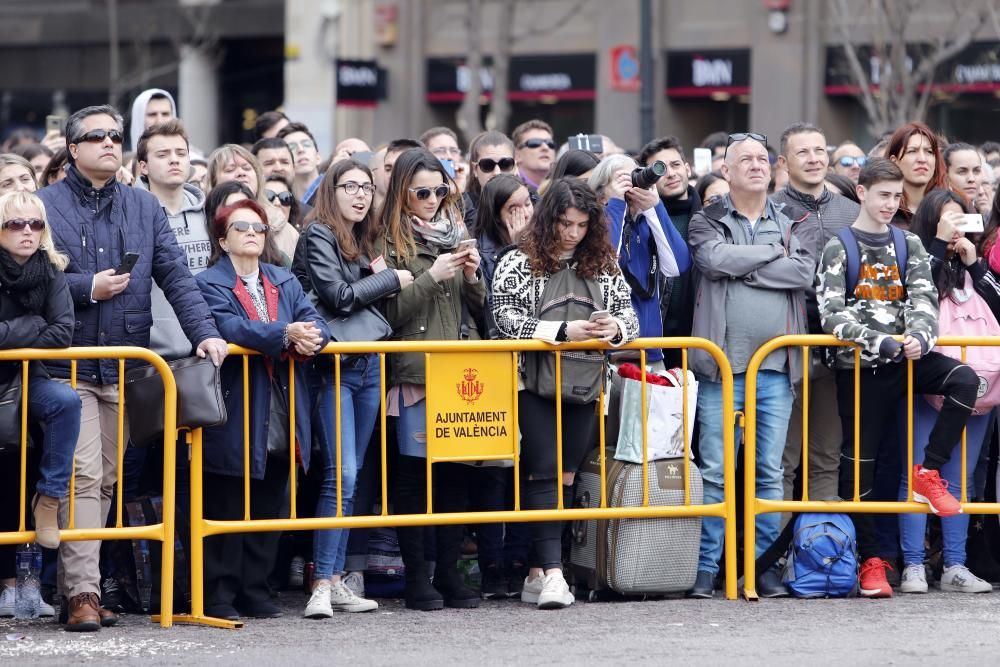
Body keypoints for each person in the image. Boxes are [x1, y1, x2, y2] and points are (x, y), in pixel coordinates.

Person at [37, 104, 227, 631]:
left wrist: (206, 332)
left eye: (115, 135)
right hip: (68, 366)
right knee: (85, 475)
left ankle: (76, 586)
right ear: (73, 150)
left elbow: (176, 276)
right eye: (96, 136)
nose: (108, 143)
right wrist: (85, 287)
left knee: (105, 483)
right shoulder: (45, 205)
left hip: (125, 365)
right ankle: (82, 595)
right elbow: (29, 281)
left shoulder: (144, 208)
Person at [816, 158, 979, 599]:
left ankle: (929, 470)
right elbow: (831, 313)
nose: (890, 204)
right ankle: (872, 560)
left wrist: (921, 339)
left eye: (896, 197)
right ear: (862, 192)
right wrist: (881, 342)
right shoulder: (839, 246)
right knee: (863, 466)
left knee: (965, 380)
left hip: (908, 359)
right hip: (862, 368)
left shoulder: (908, 243)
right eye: (882, 195)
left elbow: (925, 298)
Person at [491, 178, 639, 609]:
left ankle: (540, 571)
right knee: (544, 469)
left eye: (580, 225)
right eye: (564, 223)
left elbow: (629, 315)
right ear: (548, 219)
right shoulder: (518, 260)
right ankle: (554, 574)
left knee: (569, 474)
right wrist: (562, 332)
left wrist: (614, 329)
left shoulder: (603, 260)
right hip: (529, 378)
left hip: (587, 378)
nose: (572, 233)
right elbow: (503, 318)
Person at [686, 132, 813, 599]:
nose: (757, 166)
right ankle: (707, 568)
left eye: (763, 158)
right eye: (746, 160)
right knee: (716, 471)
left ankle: (760, 567)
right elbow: (714, 261)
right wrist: (768, 259)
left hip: (776, 370)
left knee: (769, 474)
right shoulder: (707, 218)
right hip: (721, 369)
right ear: (727, 169)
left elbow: (802, 272)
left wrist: (744, 266)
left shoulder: (793, 218)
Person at [196, 199, 330, 620]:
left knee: (270, 500)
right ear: (222, 239)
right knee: (226, 503)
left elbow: (315, 321)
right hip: (235, 405)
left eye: (258, 227)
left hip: (281, 404)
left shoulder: (282, 278)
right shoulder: (208, 282)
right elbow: (229, 326)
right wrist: (284, 334)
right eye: (241, 227)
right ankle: (218, 595)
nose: (253, 233)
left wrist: (312, 338)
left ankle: (257, 589)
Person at [292, 160, 404, 617]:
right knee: (342, 475)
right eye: (350, 186)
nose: (360, 194)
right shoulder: (318, 233)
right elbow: (337, 296)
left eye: (367, 187)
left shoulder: (360, 239)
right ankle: (321, 581)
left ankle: (335, 579)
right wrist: (391, 279)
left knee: (352, 477)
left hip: (367, 364)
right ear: (330, 190)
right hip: (333, 364)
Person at [377, 148, 485, 612]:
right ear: (402, 193)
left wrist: (475, 276)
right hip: (416, 371)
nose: (432, 199)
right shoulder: (385, 242)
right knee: (414, 479)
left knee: (455, 479)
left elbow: (481, 306)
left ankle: (448, 574)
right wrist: (431, 277)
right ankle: (418, 579)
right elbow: (387, 314)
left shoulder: (458, 231)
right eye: (421, 191)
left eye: (440, 190)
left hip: (463, 369)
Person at [899, 189, 997, 594]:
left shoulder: (976, 266)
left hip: (983, 386)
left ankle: (955, 564)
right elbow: (915, 296)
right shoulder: (916, 256)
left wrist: (974, 265)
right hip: (931, 384)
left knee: (960, 480)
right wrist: (939, 244)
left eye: (963, 219)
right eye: (947, 219)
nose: (957, 227)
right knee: (921, 474)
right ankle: (913, 565)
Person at [0, 191, 79, 619]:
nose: (27, 232)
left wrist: (13, 333)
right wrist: (31, 325)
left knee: (66, 403)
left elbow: (63, 333)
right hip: (3, 386)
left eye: (35, 224)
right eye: (16, 224)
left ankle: (49, 499)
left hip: (30, 382)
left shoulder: (51, 272)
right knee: (4, 480)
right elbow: (45, 329)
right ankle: (8, 585)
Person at [771, 123, 860, 504]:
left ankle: (822, 558)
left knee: (827, 456)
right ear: (784, 162)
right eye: (803, 152)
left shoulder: (853, 212)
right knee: (781, 461)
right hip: (784, 349)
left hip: (842, 352)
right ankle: (771, 561)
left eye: (820, 151)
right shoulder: (769, 211)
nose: (814, 159)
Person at [471, 174, 535, 597]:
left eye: (528, 204)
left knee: (532, 470)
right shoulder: (482, 250)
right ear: (495, 212)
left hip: (537, 371)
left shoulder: (543, 245)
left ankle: (523, 559)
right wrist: (516, 249)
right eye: (513, 208)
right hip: (494, 368)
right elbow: (497, 314)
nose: (524, 214)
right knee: (496, 472)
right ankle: (492, 563)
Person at [588, 154, 689, 369]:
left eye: (634, 176)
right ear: (601, 190)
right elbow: (602, 265)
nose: (631, 184)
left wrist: (655, 208)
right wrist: (615, 204)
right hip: (606, 353)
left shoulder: (647, 222)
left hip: (650, 353)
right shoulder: (591, 224)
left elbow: (678, 266)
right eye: (622, 179)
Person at [134, 120, 213, 358]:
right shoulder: (129, 215)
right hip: (150, 355)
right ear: (143, 167)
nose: (174, 159)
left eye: (181, 153)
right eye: (163, 154)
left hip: (209, 346)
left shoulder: (209, 213)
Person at [639, 135, 703, 364]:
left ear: (688, 168)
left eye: (676, 165)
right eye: (660, 169)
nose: (671, 173)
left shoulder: (712, 217)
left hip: (701, 339)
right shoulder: (641, 221)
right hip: (655, 341)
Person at [885, 121, 947, 229]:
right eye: (912, 151)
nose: (922, 159)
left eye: (929, 152)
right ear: (894, 161)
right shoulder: (884, 209)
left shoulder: (948, 207)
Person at [464, 131, 515, 230]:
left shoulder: (533, 205)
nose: (497, 172)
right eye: (487, 165)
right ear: (475, 169)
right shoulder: (462, 209)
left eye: (505, 164)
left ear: (515, 167)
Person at [278, 122, 322, 203]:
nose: (300, 150)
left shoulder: (337, 191)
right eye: (292, 147)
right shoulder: (280, 202)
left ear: (318, 157)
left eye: (306, 144)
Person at [512, 120, 556, 191]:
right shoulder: (508, 190)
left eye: (550, 144)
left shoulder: (565, 189)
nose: (545, 147)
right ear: (517, 155)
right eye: (534, 143)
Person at [943, 142, 984, 211]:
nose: (971, 179)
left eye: (976, 171)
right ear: (946, 175)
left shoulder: (986, 215)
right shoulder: (937, 214)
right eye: (962, 172)